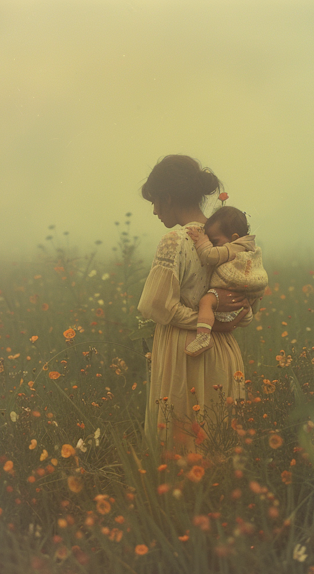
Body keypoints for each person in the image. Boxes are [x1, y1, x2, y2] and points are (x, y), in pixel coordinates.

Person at [137, 155, 256, 454]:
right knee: (219, 449)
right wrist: (225, 320)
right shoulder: (231, 240)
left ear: (168, 197)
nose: (153, 211)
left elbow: (157, 306)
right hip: (225, 353)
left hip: (184, 352)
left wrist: (205, 321)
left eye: (154, 201)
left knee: (180, 452)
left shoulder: (175, 240)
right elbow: (247, 304)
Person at [184, 206, 268, 356]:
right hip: (241, 304)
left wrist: (202, 241)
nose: (213, 245)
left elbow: (210, 256)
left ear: (234, 238)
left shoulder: (236, 247)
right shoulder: (249, 247)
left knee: (206, 302)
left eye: (215, 241)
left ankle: (203, 337)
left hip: (227, 291)